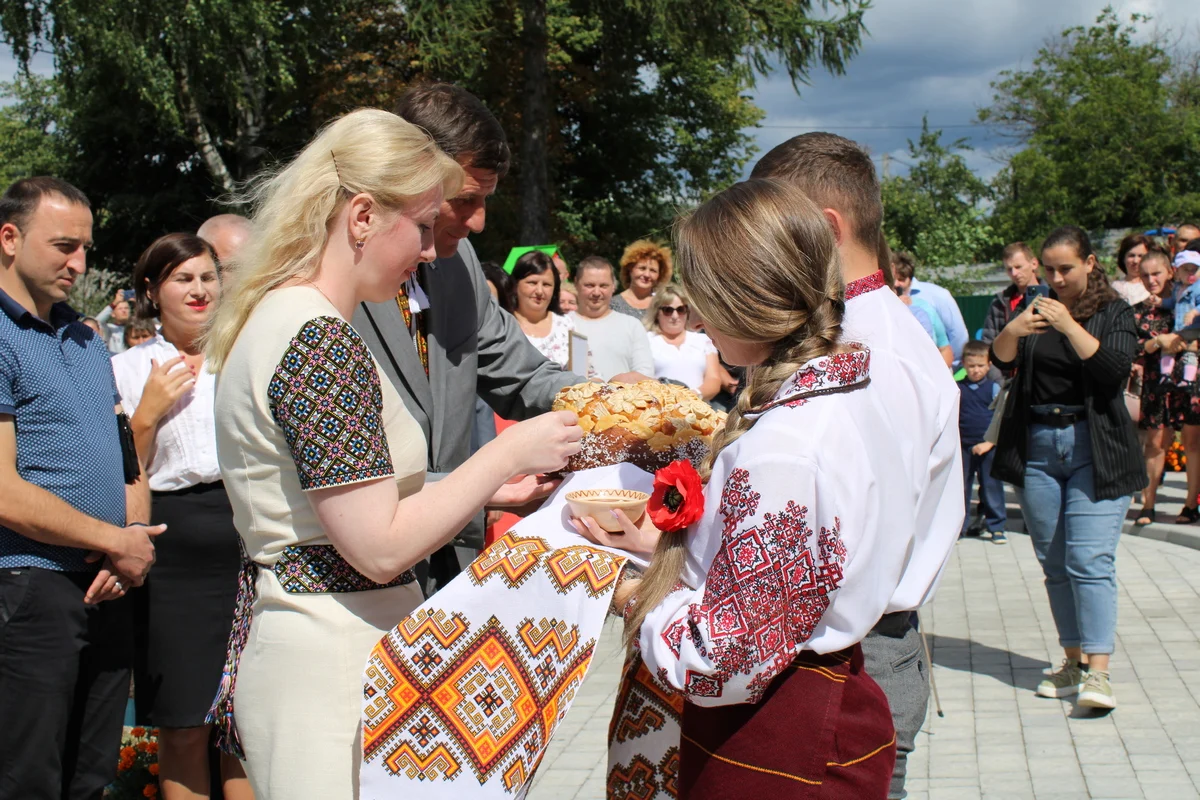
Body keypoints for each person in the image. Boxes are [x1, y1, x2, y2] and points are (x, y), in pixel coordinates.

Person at [201, 108, 582, 798]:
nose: (433, 251)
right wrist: (505, 456)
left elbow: (348, 501)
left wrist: (484, 487)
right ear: (362, 217)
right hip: (329, 664)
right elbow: (377, 548)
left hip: (339, 649)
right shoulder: (318, 340)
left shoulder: (295, 319)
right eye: (424, 225)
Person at [577, 179, 900, 797]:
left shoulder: (782, 447)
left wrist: (631, 596)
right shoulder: (843, 390)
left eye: (704, 298)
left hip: (778, 737)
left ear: (746, 300)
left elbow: (724, 657)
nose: (696, 317)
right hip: (807, 710)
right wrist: (670, 549)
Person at [751, 132, 962, 800]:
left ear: (826, 228)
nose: (761, 252)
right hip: (850, 650)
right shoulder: (859, 335)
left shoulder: (872, 356)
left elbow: (834, 539)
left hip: (849, 656)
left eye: (773, 229)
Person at [352, 84, 589, 594]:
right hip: (360, 578)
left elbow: (523, 375)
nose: (479, 222)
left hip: (451, 564)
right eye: (464, 200)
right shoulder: (329, 286)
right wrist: (479, 483)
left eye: (485, 200)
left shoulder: (458, 264)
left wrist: (615, 402)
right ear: (408, 176)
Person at [0, 176, 162, 799]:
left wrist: (132, 538)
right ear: (9, 238)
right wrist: (114, 541)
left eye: (85, 248)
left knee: (92, 776)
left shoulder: (85, 339)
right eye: (64, 246)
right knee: (28, 776)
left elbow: (125, 456)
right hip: (30, 584)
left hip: (105, 582)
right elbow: (4, 491)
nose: (80, 264)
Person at [111, 233, 248, 800]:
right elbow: (120, 472)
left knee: (246, 723)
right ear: (152, 290)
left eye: (208, 277)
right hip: (173, 550)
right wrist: (146, 415)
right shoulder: (125, 368)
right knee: (185, 721)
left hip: (247, 540)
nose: (199, 290)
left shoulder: (243, 353)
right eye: (182, 278)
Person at [991, 225, 1145, 709]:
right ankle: (1073, 661)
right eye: (1051, 269)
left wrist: (1069, 325)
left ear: (1090, 263)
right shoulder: (1035, 307)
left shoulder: (1114, 311)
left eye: (1067, 269)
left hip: (1093, 446)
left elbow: (1113, 370)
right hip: (1037, 446)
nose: (1057, 279)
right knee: (1055, 564)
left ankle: (1099, 672)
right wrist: (1014, 331)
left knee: (1088, 560)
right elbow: (1001, 360)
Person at [1131, 246, 1189, 526]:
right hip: (1155, 385)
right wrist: (1156, 342)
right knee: (1155, 443)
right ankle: (1148, 505)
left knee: (1193, 444)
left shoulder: (1188, 302)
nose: (1151, 280)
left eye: (1156, 273)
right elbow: (1131, 348)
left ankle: (1191, 505)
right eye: (1145, 275)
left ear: (1170, 272)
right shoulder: (1138, 311)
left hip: (1190, 382)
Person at [570, 255, 655, 379]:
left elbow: (645, 373)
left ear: (613, 286)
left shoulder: (632, 325)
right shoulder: (563, 324)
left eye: (603, 286)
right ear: (576, 284)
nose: (596, 292)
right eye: (589, 285)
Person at [958, 340, 1006, 543]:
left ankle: (997, 527)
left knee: (991, 487)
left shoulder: (994, 388)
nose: (976, 370)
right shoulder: (958, 388)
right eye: (971, 366)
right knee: (961, 488)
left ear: (989, 365)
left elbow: (1001, 418)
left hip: (988, 446)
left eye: (980, 365)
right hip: (964, 446)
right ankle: (959, 528)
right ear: (964, 365)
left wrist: (989, 443)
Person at [644, 284, 720, 399]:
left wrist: (692, 395)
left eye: (680, 309)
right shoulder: (646, 340)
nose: (675, 316)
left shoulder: (704, 340)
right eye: (668, 310)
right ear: (657, 313)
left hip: (697, 405)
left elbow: (714, 379)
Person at [892, 250, 953, 367]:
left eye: (901, 279)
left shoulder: (924, 307)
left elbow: (944, 348)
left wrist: (936, 374)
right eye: (893, 279)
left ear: (910, 280)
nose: (896, 284)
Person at [982, 242, 1045, 346]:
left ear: (1034, 264)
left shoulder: (1053, 295)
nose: (1014, 273)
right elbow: (988, 343)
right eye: (1009, 269)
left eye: (1018, 267)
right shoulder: (1000, 302)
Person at [908, 260, 968, 367]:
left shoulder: (936, 295)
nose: (897, 284)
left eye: (901, 279)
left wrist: (951, 365)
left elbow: (957, 335)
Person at [610, 239, 672, 319]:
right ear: (630, 268)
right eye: (642, 268)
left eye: (653, 270)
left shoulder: (663, 305)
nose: (647, 274)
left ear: (659, 275)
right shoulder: (613, 305)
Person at [1111, 233, 1152, 306]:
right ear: (1123, 258)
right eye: (1131, 256)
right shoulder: (1115, 288)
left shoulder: (1154, 284)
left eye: (1140, 256)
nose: (1136, 261)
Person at [96, 288, 134, 353]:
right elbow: (97, 321)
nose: (124, 311)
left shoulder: (134, 328)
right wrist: (115, 303)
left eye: (126, 308)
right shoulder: (109, 328)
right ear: (113, 314)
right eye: (120, 309)